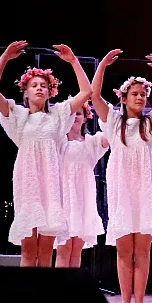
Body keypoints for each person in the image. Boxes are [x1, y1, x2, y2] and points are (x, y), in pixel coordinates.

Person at [90, 49, 152, 303]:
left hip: (145, 188)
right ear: (124, 97)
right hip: (121, 187)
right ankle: (125, 301)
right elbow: (94, 96)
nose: (140, 97)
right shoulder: (113, 122)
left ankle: (139, 302)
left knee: (142, 249)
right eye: (135, 94)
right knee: (123, 249)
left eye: (144, 94)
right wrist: (103, 66)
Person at [0, 40, 92, 267]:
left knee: (46, 250)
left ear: (50, 91)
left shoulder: (58, 115)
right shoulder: (18, 116)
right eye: (34, 85)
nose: (39, 88)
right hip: (28, 182)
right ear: (25, 90)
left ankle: (43, 298)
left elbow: (86, 92)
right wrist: (4, 57)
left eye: (43, 85)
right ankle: (26, 299)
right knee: (28, 249)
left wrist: (73, 61)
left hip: (51, 183)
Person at [55, 101, 109, 268]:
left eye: (78, 114)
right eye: (71, 114)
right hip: (63, 199)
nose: (74, 117)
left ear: (86, 117)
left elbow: (111, 134)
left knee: (77, 249)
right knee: (64, 248)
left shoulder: (91, 142)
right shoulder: (58, 143)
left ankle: (72, 291)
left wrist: (103, 106)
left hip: (82, 201)